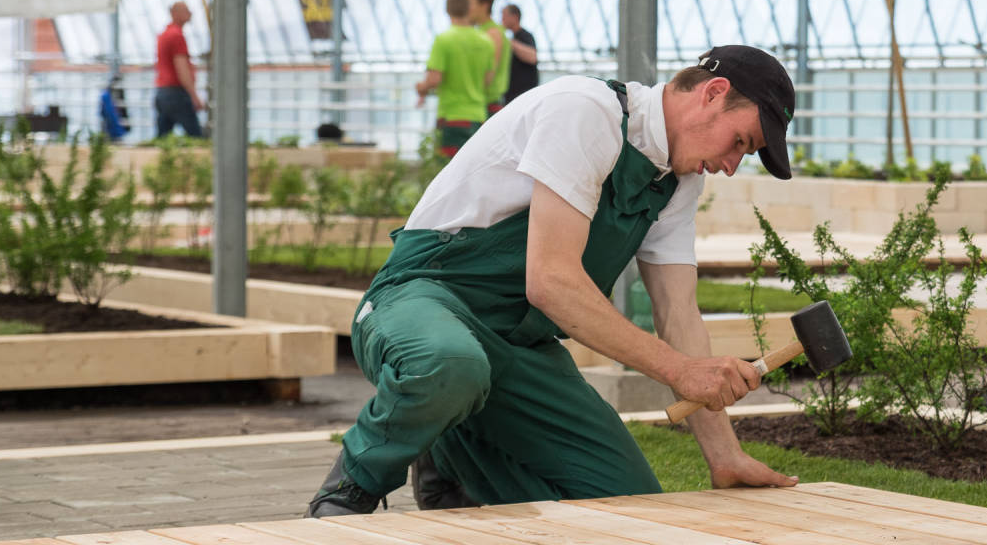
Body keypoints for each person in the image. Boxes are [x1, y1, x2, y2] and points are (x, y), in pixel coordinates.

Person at [306, 45, 800, 517]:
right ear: (713, 93)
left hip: (519, 342)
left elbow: (679, 316)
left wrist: (724, 456)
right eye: (741, 142)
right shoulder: (585, 111)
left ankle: (452, 460)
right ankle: (351, 487)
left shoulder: (678, 181)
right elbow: (552, 282)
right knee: (451, 364)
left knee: (626, 506)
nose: (733, 166)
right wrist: (677, 371)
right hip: (425, 298)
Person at [418, 0, 495, 158]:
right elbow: (488, 80)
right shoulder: (486, 41)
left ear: (447, 10)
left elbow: (435, 79)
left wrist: (421, 88)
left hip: (452, 117)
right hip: (478, 118)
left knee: (447, 173)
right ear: (469, 9)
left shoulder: (444, 40)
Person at [152, 2, 203, 138]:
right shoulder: (176, 36)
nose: (190, 14)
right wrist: (194, 96)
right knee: (197, 137)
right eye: (186, 11)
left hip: (162, 93)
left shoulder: (164, 35)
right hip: (176, 93)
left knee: (163, 138)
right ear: (175, 13)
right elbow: (182, 69)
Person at [467, 0, 511, 116]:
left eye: (470, 3)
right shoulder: (481, 31)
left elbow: (488, 75)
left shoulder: (492, 33)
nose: (466, 8)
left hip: (488, 107)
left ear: (484, 5)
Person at [500, 3, 540, 103]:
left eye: (504, 16)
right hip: (512, 95)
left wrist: (509, 42)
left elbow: (532, 57)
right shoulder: (514, 37)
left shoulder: (525, 36)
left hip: (524, 95)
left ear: (515, 17)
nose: (502, 19)